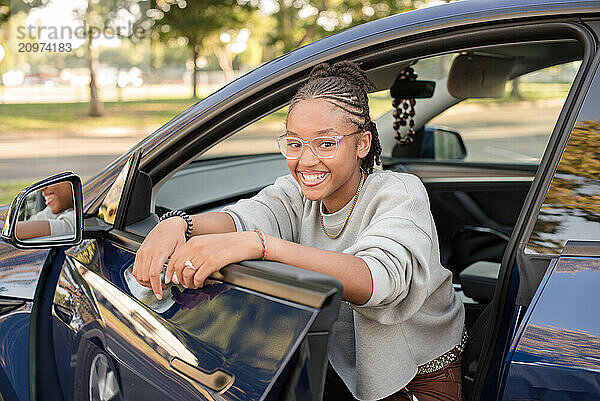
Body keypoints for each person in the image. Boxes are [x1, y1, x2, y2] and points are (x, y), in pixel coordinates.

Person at [132, 61, 465, 401]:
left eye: (325, 144)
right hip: (343, 373)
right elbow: (247, 216)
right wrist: (179, 224)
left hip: (417, 380)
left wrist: (259, 246)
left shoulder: (399, 193)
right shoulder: (297, 193)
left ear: (362, 143)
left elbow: (378, 281)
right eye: (294, 144)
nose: (306, 161)